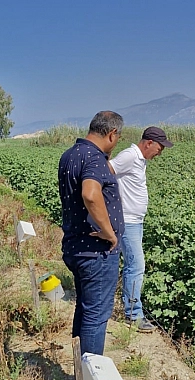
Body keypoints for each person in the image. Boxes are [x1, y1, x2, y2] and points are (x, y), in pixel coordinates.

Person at [58, 110, 124, 355]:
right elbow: (90, 194)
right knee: (96, 316)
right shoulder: (94, 158)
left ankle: (82, 374)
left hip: (76, 247)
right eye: (118, 138)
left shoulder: (70, 155)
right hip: (95, 252)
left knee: (85, 310)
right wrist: (109, 233)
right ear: (112, 133)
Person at [109, 126, 173, 332]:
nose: (160, 153)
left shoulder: (140, 159)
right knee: (136, 265)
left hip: (135, 220)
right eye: (159, 148)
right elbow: (106, 171)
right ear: (148, 143)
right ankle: (133, 315)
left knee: (132, 264)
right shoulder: (129, 156)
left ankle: (129, 310)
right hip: (127, 221)